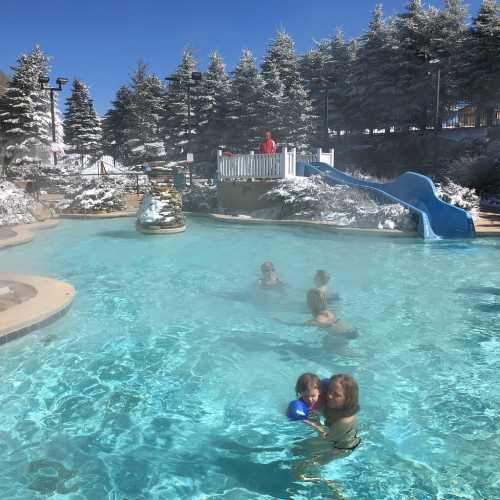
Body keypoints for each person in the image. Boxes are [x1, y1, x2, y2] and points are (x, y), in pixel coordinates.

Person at [293, 374, 361, 481]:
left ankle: (330, 486)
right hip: (335, 438)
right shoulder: (331, 404)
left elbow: (326, 440)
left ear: (347, 399)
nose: (329, 396)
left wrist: (304, 444)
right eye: (329, 391)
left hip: (340, 448)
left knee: (298, 470)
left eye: (336, 395)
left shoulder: (344, 421)